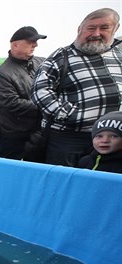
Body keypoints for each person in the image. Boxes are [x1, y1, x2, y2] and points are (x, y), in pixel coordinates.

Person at [32, 8, 122, 167]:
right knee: (66, 183)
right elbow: (39, 90)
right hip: (71, 138)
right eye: (91, 28)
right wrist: (69, 115)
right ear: (79, 29)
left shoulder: (118, 55)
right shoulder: (62, 56)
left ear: (115, 29)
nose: (96, 33)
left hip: (114, 139)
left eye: (104, 28)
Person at [0, 26, 47, 160]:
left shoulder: (43, 62)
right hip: (17, 137)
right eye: (30, 42)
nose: (35, 45)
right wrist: (47, 104)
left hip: (42, 131)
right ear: (15, 45)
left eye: (36, 41)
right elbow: (11, 103)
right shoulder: (3, 74)